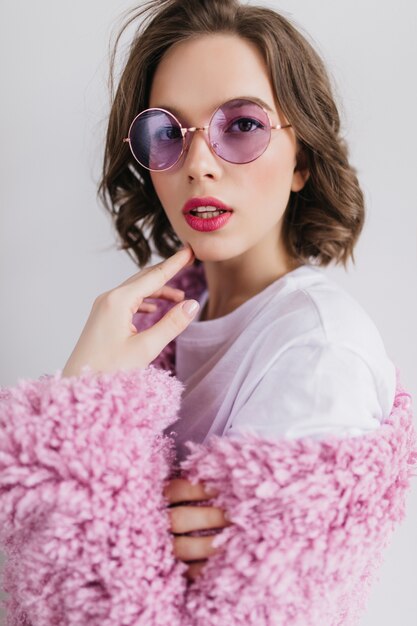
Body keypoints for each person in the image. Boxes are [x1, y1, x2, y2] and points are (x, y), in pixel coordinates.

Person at [0, 1, 415, 624]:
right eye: (167, 132)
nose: (198, 162)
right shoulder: (155, 326)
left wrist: (82, 421)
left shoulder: (318, 352)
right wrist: (87, 385)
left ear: (301, 160)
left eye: (242, 125)